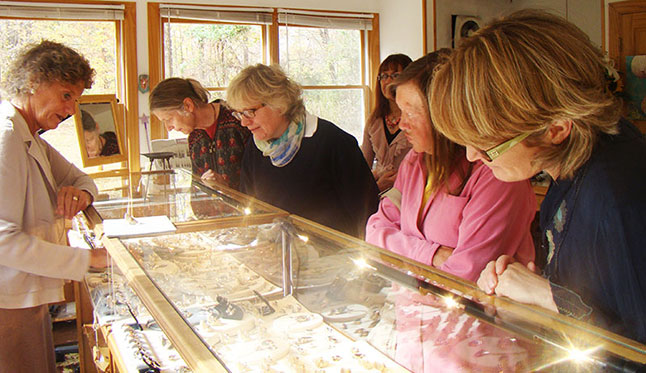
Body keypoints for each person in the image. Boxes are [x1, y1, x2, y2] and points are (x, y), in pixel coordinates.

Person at [429, 10, 646, 344]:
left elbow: (635, 346)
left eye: (487, 146)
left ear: (555, 128)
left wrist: (549, 296)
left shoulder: (617, 197)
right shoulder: (581, 161)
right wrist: (531, 294)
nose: (472, 156)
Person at [366, 50, 536, 283]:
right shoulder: (414, 163)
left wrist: (402, 249)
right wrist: (433, 254)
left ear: (444, 115)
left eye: (411, 113)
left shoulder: (496, 174)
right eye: (400, 111)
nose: (402, 123)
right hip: (413, 310)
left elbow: (466, 273)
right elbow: (375, 230)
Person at [0, 40, 108, 372]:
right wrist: (90, 259)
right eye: (65, 96)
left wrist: (81, 195)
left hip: (26, 295)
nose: (72, 109)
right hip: (7, 301)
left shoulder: (29, 135)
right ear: (33, 82)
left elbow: (83, 179)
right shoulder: (7, 137)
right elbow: (3, 241)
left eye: (75, 100)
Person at [226, 64, 379, 238]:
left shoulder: (334, 142)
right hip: (276, 254)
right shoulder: (256, 148)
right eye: (238, 114)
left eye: (249, 112)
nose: (243, 123)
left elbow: (368, 215)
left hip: (331, 259)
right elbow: (250, 207)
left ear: (278, 103)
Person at [150, 78, 251, 190]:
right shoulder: (194, 138)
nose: (168, 128)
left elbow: (260, 182)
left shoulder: (239, 120)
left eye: (169, 119)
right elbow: (196, 190)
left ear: (188, 105)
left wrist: (226, 188)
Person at [361, 54, 413, 192]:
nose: (388, 81)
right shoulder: (373, 121)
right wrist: (375, 185)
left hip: (410, 189)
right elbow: (363, 166)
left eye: (395, 75)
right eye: (384, 76)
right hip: (378, 190)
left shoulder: (418, 118)